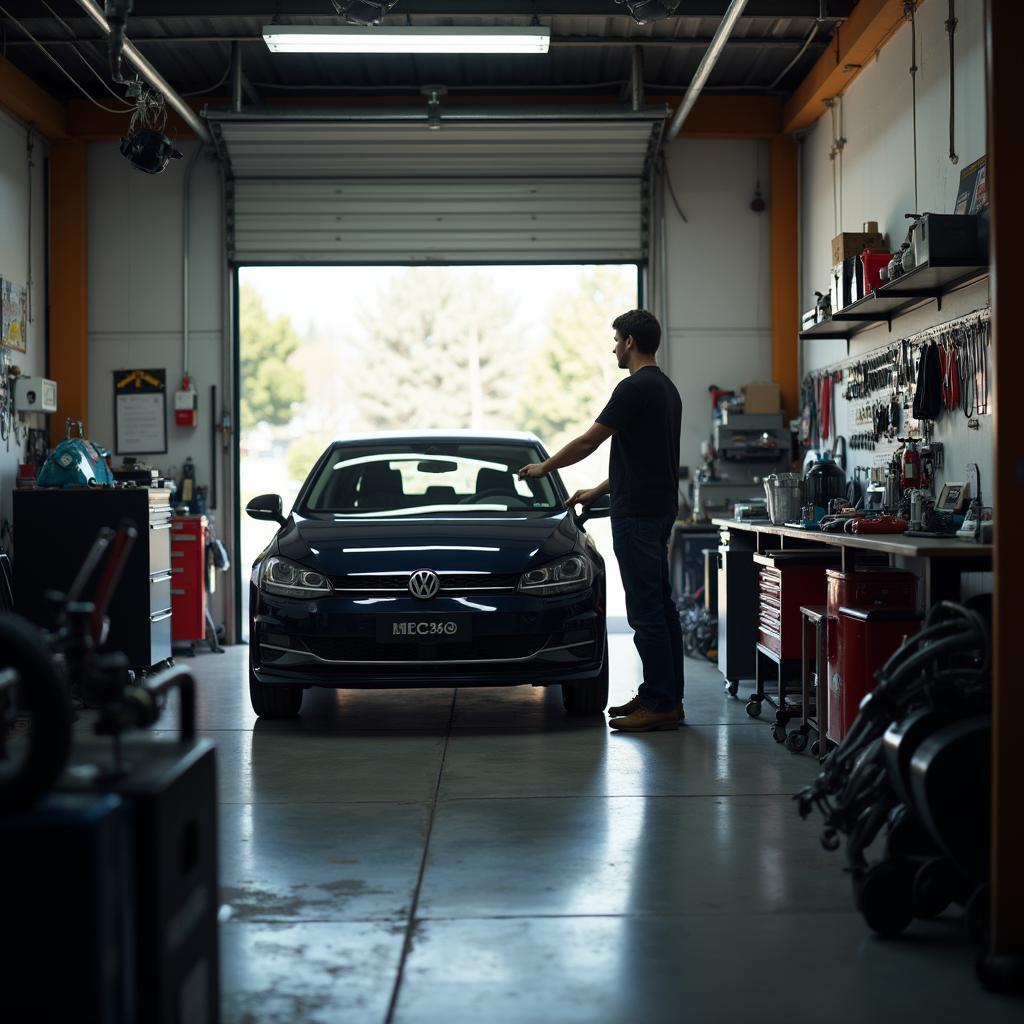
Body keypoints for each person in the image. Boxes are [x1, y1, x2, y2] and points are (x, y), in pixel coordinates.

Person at [518, 309, 684, 732]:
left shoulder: (632, 388)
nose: (613, 347)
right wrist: (597, 491)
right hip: (657, 508)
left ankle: (661, 703)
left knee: (645, 612)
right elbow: (646, 460)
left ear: (629, 341)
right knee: (662, 609)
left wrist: (545, 467)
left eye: (616, 340)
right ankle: (663, 697)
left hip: (638, 517)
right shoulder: (666, 389)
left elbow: (591, 440)